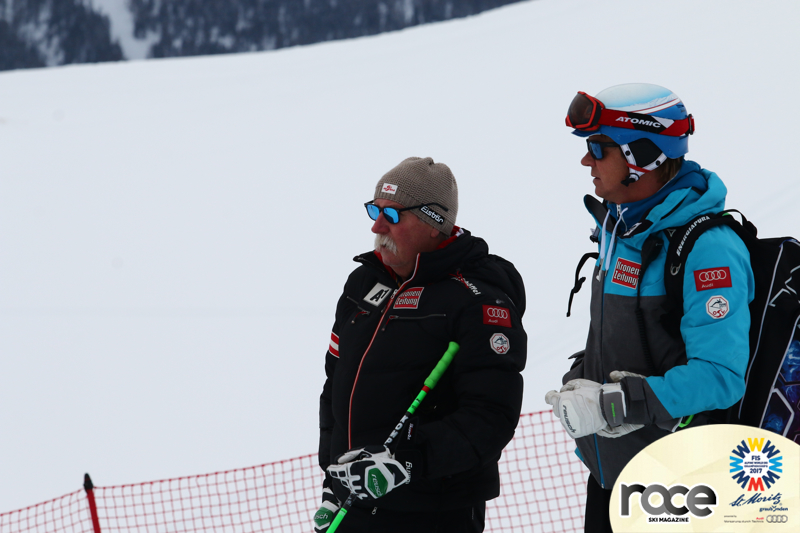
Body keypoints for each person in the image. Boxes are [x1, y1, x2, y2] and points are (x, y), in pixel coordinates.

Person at [544, 83, 754, 532]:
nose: (586, 162)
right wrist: (583, 376)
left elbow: (721, 376)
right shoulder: (619, 232)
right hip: (611, 472)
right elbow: (636, 341)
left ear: (642, 155)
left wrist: (615, 403)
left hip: (680, 486)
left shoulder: (709, 249)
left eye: (598, 149)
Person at [314, 157, 527, 533]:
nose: (377, 226)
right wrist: (332, 477)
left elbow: (491, 416)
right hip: (356, 502)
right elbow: (335, 384)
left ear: (434, 223)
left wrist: (404, 462)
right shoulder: (363, 283)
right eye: (374, 210)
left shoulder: (475, 299)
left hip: (431, 511)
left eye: (392, 215)